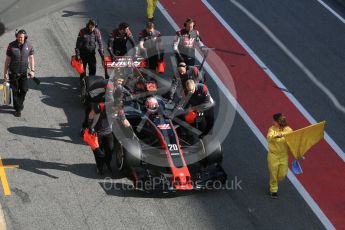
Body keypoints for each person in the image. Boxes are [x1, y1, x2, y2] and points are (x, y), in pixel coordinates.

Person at [87, 101, 130, 175]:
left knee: (110, 150)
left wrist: (130, 129)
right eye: (115, 109)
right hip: (97, 133)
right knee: (99, 154)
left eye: (118, 110)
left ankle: (107, 163)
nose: (117, 112)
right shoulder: (100, 107)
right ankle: (99, 167)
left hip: (108, 132)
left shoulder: (119, 110)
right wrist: (90, 127)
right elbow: (91, 115)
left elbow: (124, 120)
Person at [3, 29, 35, 117]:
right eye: (18, 37)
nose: (20, 39)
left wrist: (32, 70)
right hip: (13, 73)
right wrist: (5, 73)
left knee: (24, 89)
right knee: (15, 91)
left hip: (24, 73)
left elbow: (31, 58)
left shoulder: (29, 45)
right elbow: (7, 60)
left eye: (22, 37)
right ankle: (18, 110)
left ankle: (19, 104)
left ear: (25, 37)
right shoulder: (11, 46)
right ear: (16, 37)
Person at [266, 113, 293, 199]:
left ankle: (273, 183)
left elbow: (293, 141)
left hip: (283, 156)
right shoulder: (272, 129)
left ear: (278, 122)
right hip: (273, 155)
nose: (272, 122)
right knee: (273, 173)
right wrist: (277, 135)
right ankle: (273, 190)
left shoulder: (288, 130)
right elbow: (269, 137)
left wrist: (298, 152)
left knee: (282, 174)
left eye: (274, 121)